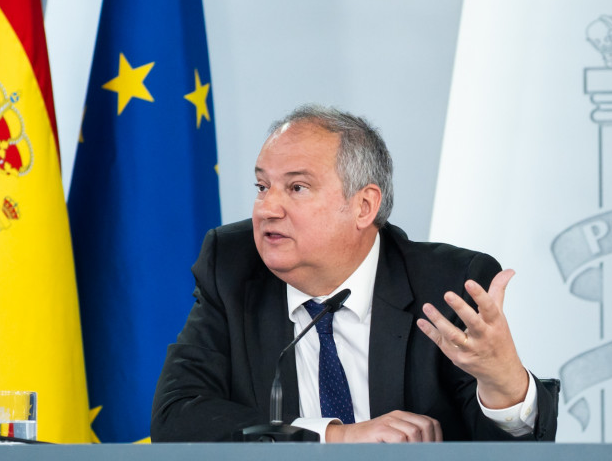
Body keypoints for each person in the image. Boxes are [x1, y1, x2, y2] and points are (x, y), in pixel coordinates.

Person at [151, 105, 557, 442]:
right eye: (262, 186)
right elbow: (177, 416)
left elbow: (501, 448)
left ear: (364, 206)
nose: (266, 209)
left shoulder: (448, 285)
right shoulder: (233, 268)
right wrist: (335, 436)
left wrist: (504, 386)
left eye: (296, 188)